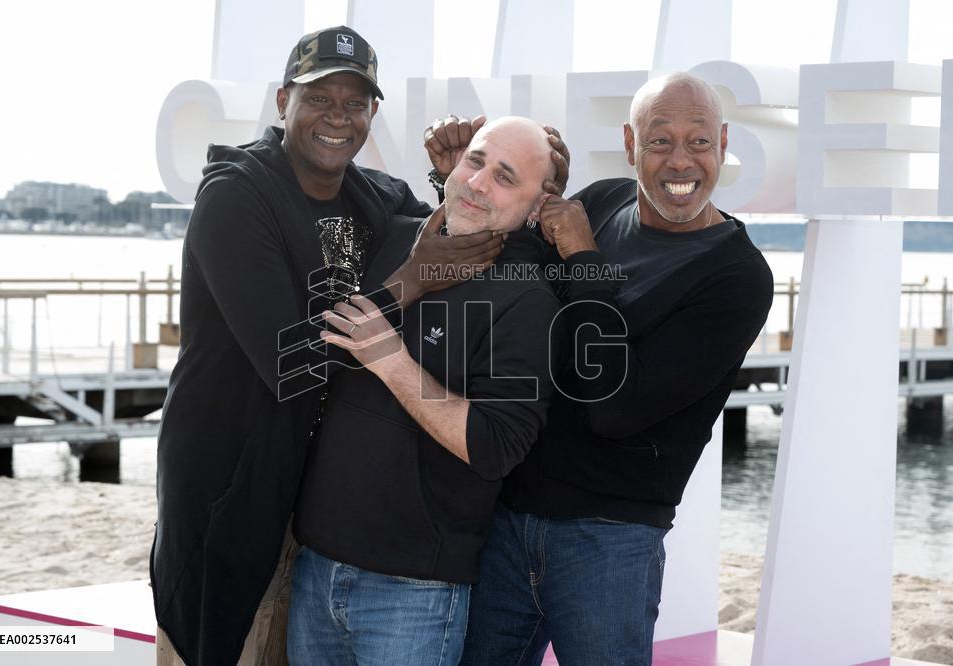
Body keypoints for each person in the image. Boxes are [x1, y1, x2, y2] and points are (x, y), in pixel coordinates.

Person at [150, 25, 506, 666]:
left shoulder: (370, 197)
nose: (337, 118)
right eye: (319, 98)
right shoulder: (235, 197)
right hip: (225, 495)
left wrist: (452, 175)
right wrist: (411, 282)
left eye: (354, 103)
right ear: (284, 100)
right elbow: (291, 367)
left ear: (374, 112)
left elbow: (446, 226)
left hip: (313, 511)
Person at [460, 73, 775, 665]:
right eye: (660, 141)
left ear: (724, 143)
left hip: (608, 540)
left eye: (698, 141)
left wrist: (582, 256)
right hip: (506, 518)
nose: (680, 160)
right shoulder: (602, 201)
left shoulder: (738, 278)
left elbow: (614, 405)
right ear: (631, 144)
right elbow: (518, 280)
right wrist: (465, 178)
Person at [285, 117, 567, 665]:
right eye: (476, 161)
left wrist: (392, 362)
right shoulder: (393, 238)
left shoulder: (528, 301)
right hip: (315, 566)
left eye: (506, 178)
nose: (479, 182)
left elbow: (496, 446)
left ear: (537, 207)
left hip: (412, 593)